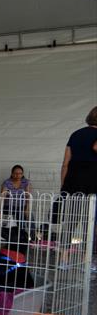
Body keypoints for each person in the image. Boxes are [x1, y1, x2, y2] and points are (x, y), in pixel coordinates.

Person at [59, 105, 97, 271]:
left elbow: (65, 163)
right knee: (92, 223)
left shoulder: (75, 134)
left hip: (74, 183)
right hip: (94, 183)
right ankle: (86, 261)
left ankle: (63, 259)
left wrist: (64, 186)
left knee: (71, 221)